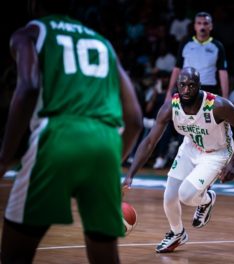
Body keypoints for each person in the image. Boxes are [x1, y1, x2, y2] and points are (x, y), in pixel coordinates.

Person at [0, 0, 143, 263]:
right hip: (106, 142)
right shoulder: (103, 43)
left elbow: (29, 87)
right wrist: (112, 162)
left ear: (33, 4)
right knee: (104, 255)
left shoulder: (29, 33)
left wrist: (4, 158)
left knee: (14, 255)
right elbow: (134, 118)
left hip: (58, 138)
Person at [123, 67, 234, 253]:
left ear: (199, 86)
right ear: (177, 85)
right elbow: (150, 141)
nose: (186, 90)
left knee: (186, 195)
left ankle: (206, 199)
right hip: (191, 147)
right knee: (169, 197)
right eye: (182, 85)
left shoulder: (218, 106)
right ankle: (177, 234)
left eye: (191, 85)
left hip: (217, 153)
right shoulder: (170, 107)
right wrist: (131, 174)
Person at [166, 12, 229, 98]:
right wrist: (169, 92)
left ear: (211, 26)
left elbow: (223, 72)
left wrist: (225, 97)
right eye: (199, 23)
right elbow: (177, 68)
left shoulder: (217, 46)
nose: (202, 27)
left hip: (209, 89)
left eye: (205, 23)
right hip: (186, 87)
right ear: (195, 26)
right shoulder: (185, 43)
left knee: (208, 112)